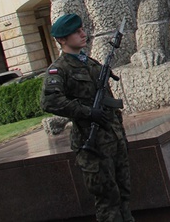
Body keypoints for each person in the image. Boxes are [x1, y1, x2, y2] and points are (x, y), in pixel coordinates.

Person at [41, 13, 133, 222]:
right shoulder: (59, 69)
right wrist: (86, 112)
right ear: (62, 39)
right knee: (108, 202)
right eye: (76, 32)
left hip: (114, 139)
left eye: (82, 29)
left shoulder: (91, 63)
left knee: (125, 196)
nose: (83, 34)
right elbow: (49, 102)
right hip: (92, 146)